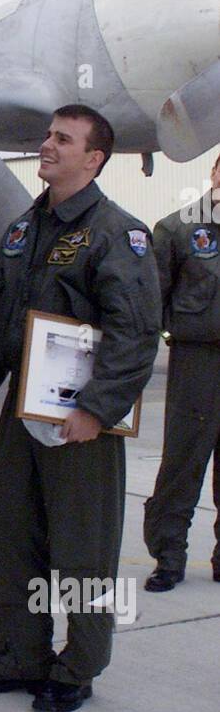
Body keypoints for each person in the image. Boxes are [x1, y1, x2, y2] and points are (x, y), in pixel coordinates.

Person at [0, 105, 161, 712]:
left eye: (62, 139)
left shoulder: (120, 234)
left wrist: (96, 408)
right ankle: (19, 656)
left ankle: (79, 664)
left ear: (94, 159)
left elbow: (137, 332)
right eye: (48, 135)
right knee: (6, 527)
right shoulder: (22, 230)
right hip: (23, 410)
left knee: (82, 544)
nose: (47, 145)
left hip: (83, 423)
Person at [143, 152, 220, 590]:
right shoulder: (177, 229)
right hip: (197, 361)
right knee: (182, 463)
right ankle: (168, 555)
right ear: (213, 171)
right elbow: (154, 300)